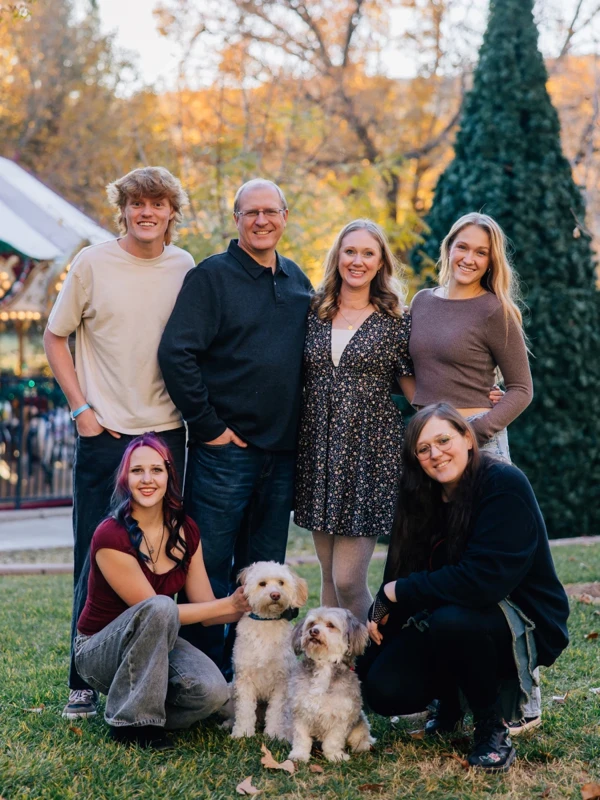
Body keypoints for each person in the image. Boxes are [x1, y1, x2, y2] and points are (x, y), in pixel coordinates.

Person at [44, 167, 195, 720]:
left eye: (157, 203)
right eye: (136, 204)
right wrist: (81, 410)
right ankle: (81, 681)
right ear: (124, 210)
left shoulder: (185, 267)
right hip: (105, 433)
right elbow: (54, 336)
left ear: (172, 212)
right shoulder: (91, 263)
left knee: (164, 556)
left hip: (166, 433)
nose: (147, 212)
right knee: (95, 550)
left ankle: (161, 673)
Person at [360, 403, 569, 772]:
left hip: (522, 618)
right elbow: (402, 570)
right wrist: (379, 617)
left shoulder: (502, 484)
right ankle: (450, 704)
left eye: (444, 440)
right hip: (449, 614)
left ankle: (492, 727)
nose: (435, 454)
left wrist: (397, 592)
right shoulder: (419, 496)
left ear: (467, 439)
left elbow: (482, 582)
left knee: (453, 620)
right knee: (381, 686)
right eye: (423, 449)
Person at [158, 178, 313, 673]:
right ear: (237, 220)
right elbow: (176, 352)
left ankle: (255, 677)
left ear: (285, 217)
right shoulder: (212, 277)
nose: (261, 221)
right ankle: (199, 678)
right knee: (210, 565)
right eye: (251, 213)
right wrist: (208, 426)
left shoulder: (298, 282)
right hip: (225, 454)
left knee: (264, 574)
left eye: (271, 211)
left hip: (281, 456)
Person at [407, 211, 540, 731]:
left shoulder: (496, 311)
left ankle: (523, 695)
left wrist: (472, 432)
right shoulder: (422, 302)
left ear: (491, 260)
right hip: (429, 447)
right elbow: (416, 374)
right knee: (441, 562)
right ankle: (451, 695)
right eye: (462, 246)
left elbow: (522, 390)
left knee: (497, 572)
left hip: (478, 443)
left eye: (480, 252)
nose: (468, 258)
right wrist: (425, 423)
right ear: (448, 247)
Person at [74, 433, 250, 749]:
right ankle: (131, 727)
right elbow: (153, 609)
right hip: (99, 652)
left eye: (156, 470)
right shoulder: (110, 535)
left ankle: (133, 707)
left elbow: (206, 610)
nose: (147, 479)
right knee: (160, 607)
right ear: (125, 478)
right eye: (137, 470)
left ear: (169, 476)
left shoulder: (185, 531)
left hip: (156, 643)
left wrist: (247, 602)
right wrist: (228, 604)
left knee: (213, 692)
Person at [293, 220, 414, 623]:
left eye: (367, 253)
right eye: (350, 252)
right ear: (337, 256)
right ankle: (333, 672)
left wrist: (478, 398)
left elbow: (419, 389)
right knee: (328, 576)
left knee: (348, 580)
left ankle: (377, 662)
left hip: (369, 455)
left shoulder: (396, 319)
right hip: (318, 452)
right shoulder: (314, 310)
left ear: (381, 263)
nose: (357, 261)